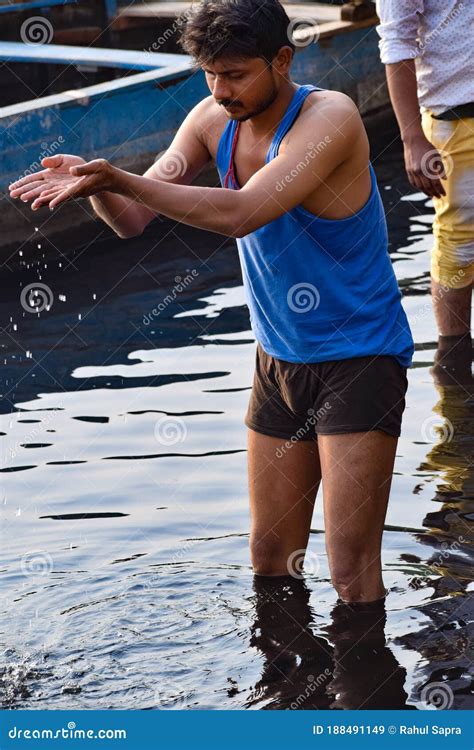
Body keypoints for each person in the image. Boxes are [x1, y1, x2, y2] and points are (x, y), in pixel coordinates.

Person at [9, 0, 414, 604]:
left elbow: (244, 212)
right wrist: (95, 186)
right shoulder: (209, 119)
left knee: (350, 571)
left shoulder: (330, 118)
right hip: (278, 361)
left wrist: (119, 175)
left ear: (283, 59)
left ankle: (366, 695)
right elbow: (134, 219)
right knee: (271, 558)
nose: (221, 91)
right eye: (211, 74)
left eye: (237, 74)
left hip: (358, 359)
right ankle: (287, 693)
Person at [376, 0, 473, 349]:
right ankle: (454, 363)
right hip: (456, 115)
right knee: (459, 244)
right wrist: (412, 137)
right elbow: (396, 40)